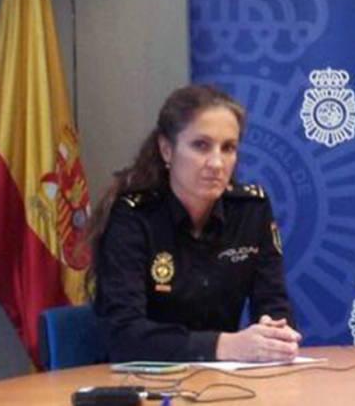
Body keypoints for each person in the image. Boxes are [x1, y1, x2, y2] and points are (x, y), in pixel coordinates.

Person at [88, 84, 301, 362]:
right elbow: (124, 335)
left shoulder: (250, 210)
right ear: (167, 149)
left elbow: (273, 304)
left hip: (225, 380)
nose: (217, 163)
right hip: (142, 379)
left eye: (228, 148)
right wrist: (224, 346)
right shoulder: (132, 216)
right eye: (201, 146)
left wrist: (276, 337)